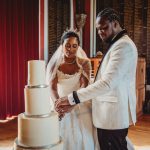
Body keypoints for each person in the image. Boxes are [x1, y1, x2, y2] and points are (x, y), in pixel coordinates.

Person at [55, 8, 138, 150]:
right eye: (98, 29)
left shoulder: (123, 46)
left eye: (104, 28)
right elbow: (101, 79)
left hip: (112, 117)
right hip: (106, 115)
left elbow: (107, 83)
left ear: (116, 24)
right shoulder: (117, 44)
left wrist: (73, 98)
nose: (100, 32)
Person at [46, 30, 99, 150]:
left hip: (79, 100)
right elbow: (52, 88)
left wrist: (72, 103)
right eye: (67, 46)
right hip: (59, 100)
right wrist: (58, 104)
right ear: (62, 46)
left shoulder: (84, 63)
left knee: (83, 134)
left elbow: (84, 87)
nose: (71, 49)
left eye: (74, 46)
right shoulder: (55, 64)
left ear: (78, 47)